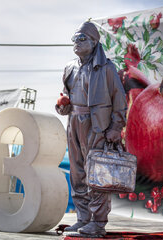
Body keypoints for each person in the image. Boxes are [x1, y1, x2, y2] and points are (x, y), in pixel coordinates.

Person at [55, 21, 127, 237]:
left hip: (97, 126)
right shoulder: (70, 68)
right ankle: (83, 218)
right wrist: (62, 106)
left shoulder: (106, 68)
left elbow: (119, 100)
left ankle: (97, 223)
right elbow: (65, 95)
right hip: (74, 123)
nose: (77, 43)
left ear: (94, 42)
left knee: (97, 175)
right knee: (77, 173)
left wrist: (116, 126)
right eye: (74, 39)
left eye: (82, 38)